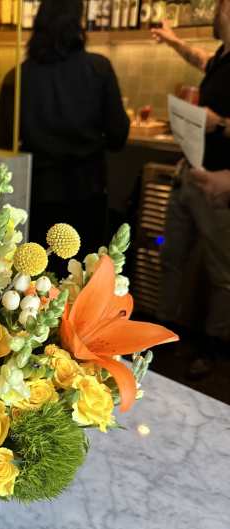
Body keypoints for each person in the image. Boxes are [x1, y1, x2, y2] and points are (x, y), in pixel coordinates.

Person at [0, 0, 129, 255]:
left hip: (37, 194)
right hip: (87, 191)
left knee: (38, 270)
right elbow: (118, 136)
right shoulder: (99, 68)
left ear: (37, 24)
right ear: (78, 23)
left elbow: (0, 142)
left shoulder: (18, 76)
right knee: (86, 269)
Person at [153, 0, 230, 378]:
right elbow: (201, 58)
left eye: (218, 6)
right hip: (190, 175)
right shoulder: (221, 57)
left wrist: (223, 123)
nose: (214, 12)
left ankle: (214, 350)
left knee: (223, 275)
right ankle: (163, 334)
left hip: (219, 184)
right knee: (172, 259)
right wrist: (172, 40)